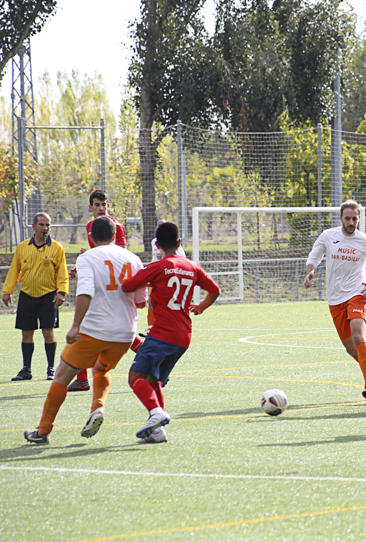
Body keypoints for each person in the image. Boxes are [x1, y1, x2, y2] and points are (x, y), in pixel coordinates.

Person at [23, 216, 147, 444]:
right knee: (100, 369)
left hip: (95, 330)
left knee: (61, 376)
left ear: (91, 237)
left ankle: (43, 431)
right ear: (114, 235)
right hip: (126, 333)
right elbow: (141, 302)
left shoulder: (87, 257)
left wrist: (75, 326)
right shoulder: (133, 258)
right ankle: (98, 407)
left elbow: (85, 292)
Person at [122, 222, 219, 443]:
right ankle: (157, 432)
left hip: (162, 334)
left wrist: (146, 280)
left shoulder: (157, 267)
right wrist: (201, 307)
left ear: (156, 245)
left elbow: (128, 286)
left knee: (135, 377)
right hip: (183, 336)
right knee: (153, 378)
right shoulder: (192, 266)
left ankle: (156, 413)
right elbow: (215, 290)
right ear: (179, 242)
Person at [304, 200, 366, 401]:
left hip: (358, 292)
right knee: (351, 348)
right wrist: (310, 272)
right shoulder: (328, 236)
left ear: (359, 219)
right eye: (347, 219)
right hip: (335, 298)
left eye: (354, 219)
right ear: (341, 218)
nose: (351, 223)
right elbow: (313, 257)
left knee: (358, 337)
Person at [68, 189, 131, 392]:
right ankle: (81, 378)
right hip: (98, 282)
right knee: (99, 327)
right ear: (91, 207)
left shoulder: (116, 227)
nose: (101, 208)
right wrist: (82, 265)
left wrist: (90, 254)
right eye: (97, 205)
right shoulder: (90, 226)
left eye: (104, 204)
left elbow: (120, 255)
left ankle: (152, 362)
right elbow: (99, 256)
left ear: (108, 206)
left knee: (93, 328)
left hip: (112, 285)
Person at [2, 212, 69, 381]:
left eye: (48, 225)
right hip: (27, 295)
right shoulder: (23, 247)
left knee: (48, 331)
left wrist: (61, 292)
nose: (45, 228)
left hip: (48, 296)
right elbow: (15, 270)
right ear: (34, 226)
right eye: (42, 224)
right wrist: (7, 291)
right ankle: (26, 369)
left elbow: (62, 273)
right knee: (26, 333)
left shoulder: (57, 248)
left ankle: (51, 369)